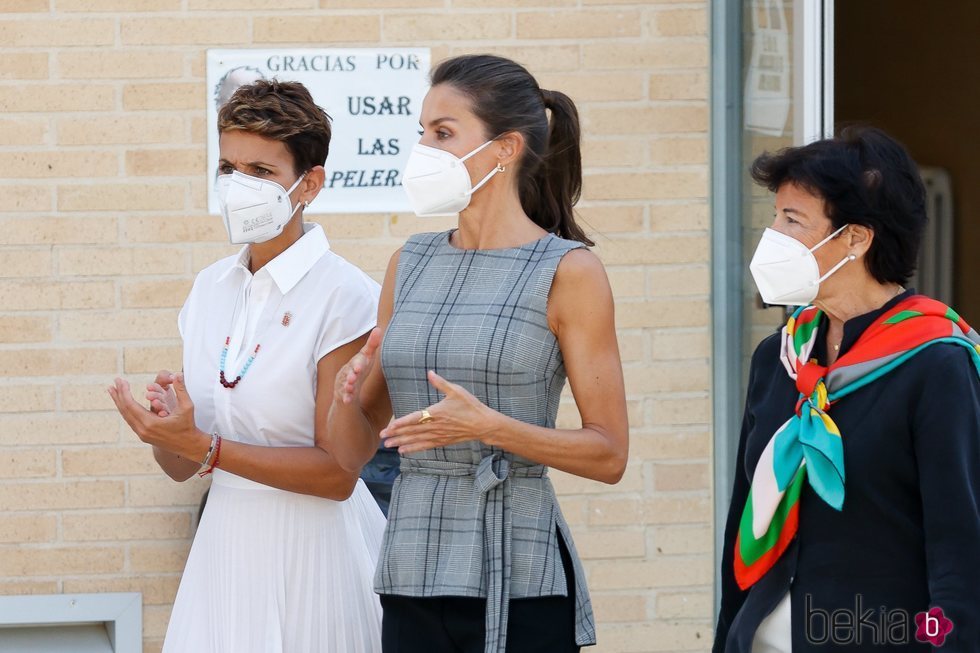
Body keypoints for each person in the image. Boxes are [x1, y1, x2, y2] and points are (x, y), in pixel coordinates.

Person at [325, 54, 630, 653]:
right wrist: (345, 399)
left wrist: (490, 427)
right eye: (422, 132)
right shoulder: (408, 263)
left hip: (519, 569)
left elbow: (609, 454)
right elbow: (353, 447)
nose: (424, 149)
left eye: (443, 133)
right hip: (412, 566)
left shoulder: (569, 271)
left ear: (504, 148)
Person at [108, 79, 385, 653]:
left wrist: (206, 447)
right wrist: (168, 432)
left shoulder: (347, 297)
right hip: (224, 549)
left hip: (314, 554)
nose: (240, 187)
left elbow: (337, 473)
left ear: (310, 183)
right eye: (229, 168)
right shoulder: (210, 287)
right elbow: (181, 467)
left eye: (261, 172)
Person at [715, 127, 980, 652]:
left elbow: (960, 550)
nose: (773, 236)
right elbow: (743, 523)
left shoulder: (936, 364)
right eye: (776, 217)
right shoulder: (780, 358)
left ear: (857, 239)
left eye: (792, 220)